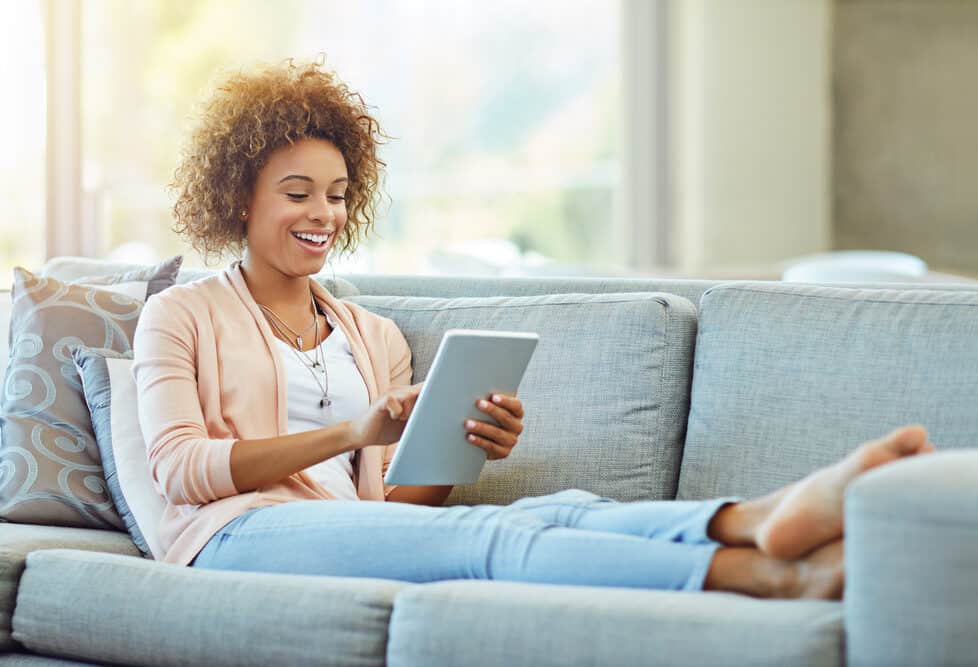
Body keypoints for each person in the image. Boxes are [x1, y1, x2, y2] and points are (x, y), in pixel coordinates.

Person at [133, 60, 935, 598]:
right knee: (489, 544)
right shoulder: (182, 315)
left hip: (351, 530)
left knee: (556, 507)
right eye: (299, 193)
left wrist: (458, 444)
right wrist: (351, 430)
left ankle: (753, 518)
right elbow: (180, 469)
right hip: (237, 540)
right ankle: (764, 575)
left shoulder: (370, 335)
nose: (324, 215)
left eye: (338, 195)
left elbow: (401, 515)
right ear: (241, 196)